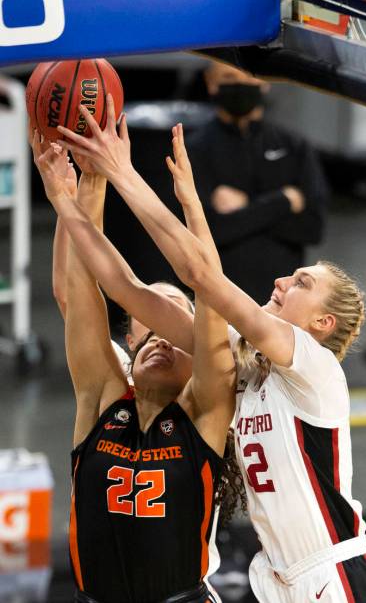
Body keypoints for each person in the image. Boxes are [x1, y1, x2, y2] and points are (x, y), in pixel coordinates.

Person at [55, 97, 366, 602]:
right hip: (278, 579)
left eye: (302, 282)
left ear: (322, 323)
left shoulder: (314, 365)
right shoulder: (244, 360)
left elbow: (202, 278)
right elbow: (126, 288)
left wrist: (125, 173)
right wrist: (77, 193)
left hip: (336, 571)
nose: (283, 279)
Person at [32, 133, 239, 603]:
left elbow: (209, 289)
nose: (162, 337)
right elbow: (82, 290)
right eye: (151, 326)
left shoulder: (206, 411)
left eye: (175, 323)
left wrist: (190, 205)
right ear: (130, 339)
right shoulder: (103, 397)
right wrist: (88, 185)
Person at [186, 61, 327, 304]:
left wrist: (246, 206)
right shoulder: (193, 149)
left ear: (264, 81)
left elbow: (312, 227)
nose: (241, 85)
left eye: (249, 76)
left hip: (282, 303)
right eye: (229, 78)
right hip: (218, 299)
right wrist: (284, 201)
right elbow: (209, 231)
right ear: (211, 83)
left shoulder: (294, 145)